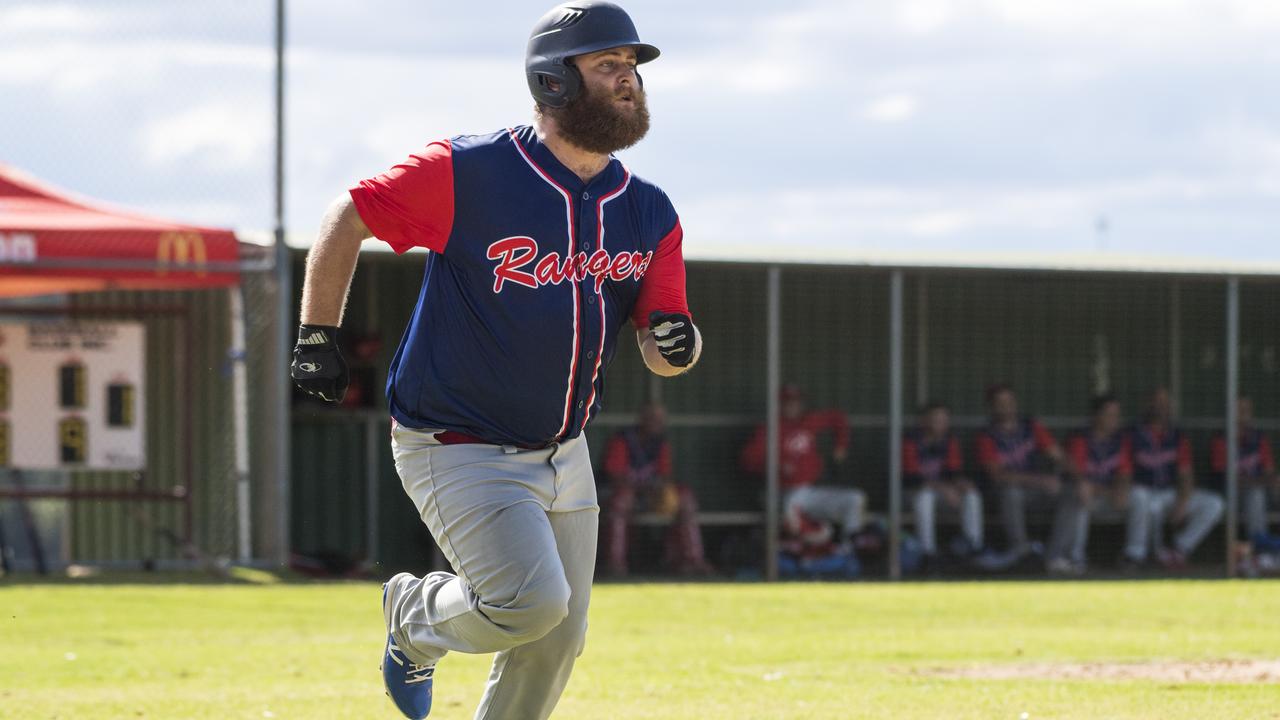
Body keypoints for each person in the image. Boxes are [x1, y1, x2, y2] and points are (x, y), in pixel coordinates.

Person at [289, 4, 701, 718]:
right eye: (608, 65)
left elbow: (662, 344)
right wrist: (316, 334)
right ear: (552, 81)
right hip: (457, 442)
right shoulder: (469, 171)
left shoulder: (649, 211)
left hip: (564, 449)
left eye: (633, 67)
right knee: (529, 603)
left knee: (556, 639)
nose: (628, 80)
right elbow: (347, 215)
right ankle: (415, 618)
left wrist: (679, 346)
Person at [740, 383, 866, 544]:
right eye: (787, 402)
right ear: (779, 405)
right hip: (779, 493)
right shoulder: (768, 429)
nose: (792, 406)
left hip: (808, 492)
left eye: (796, 402)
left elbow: (837, 418)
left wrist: (840, 446)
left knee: (855, 499)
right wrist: (775, 466)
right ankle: (819, 537)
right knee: (790, 505)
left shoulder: (809, 421)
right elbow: (747, 460)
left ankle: (849, 548)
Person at [602, 402, 711, 576]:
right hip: (622, 494)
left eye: (660, 420)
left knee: (685, 497)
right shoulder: (623, 439)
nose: (657, 423)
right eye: (653, 419)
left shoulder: (660, 443)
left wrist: (658, 490)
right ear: (642, 419)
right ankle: (615, 564)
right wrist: (642, 489)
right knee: (622, 499)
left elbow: (665, 476)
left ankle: (691, 560)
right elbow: (614, 476)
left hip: (649, 494)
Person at [975, 384, 1073, 566]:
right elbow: (998, 476)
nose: (1006, 407)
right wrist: (1040, 480)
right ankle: (1020, 550)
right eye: (1000, 403)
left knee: (1072, 494)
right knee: (1012, 493)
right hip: (1001, 493)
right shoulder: (986, 436)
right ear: (991, 407)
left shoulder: (1031, 426)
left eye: (1009, 402)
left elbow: (1059, 455)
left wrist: (1069, 477)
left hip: (1036, 492)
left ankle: (1055, 557)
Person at [1130, 388, 1224, 570]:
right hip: (1143, 491)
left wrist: (1183, 501)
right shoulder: (1133, 434)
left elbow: (1186, 473)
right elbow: (1124, 472)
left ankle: (1180, 549)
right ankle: (1141, 555)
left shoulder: (1177, 436)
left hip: (1170, 493)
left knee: (1214, 503)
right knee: (1147, 503)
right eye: (1157, 403)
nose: (1161, 407)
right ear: (1148, 405)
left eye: (1165, 403)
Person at [1063, 394, 1143, 573]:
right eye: (1109, 415)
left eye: (1117, 415)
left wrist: (1120, 489)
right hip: (1088, 499)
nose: (1114, 420)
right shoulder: (1080, 438)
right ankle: (1075, 557)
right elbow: (1078, 477)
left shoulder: (1120, 440)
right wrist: (1107, 491)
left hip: (1109, 497)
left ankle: (1134, 555)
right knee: (1080, 495)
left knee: (1139, 496)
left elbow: (1125, 473)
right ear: (1096, 416)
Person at [904, 402, 983, 564]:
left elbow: (953, 472)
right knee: (924, 497)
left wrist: (962, 483)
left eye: (943, 419)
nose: (940, 423)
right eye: (935, 419)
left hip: (941, 495)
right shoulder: (910, 441)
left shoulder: (949, 441)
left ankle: (974, 547)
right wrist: (945, 488)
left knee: (972, 495)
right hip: (908, 495)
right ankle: (928, 552)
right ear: (923, 421)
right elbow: (911, 478)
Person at [1211, 396, 1276, 541]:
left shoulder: (1259, 438)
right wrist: (1258, 482)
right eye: (1240, 410)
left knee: (1263, 491)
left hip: (1263, 491)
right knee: (1255, 494)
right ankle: (1260, 544)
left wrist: (1267, 481)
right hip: (1231, 496)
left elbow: (1269, 472)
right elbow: (1227, 480)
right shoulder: (1220, 440)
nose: (1244, 414)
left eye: (1247, 410)